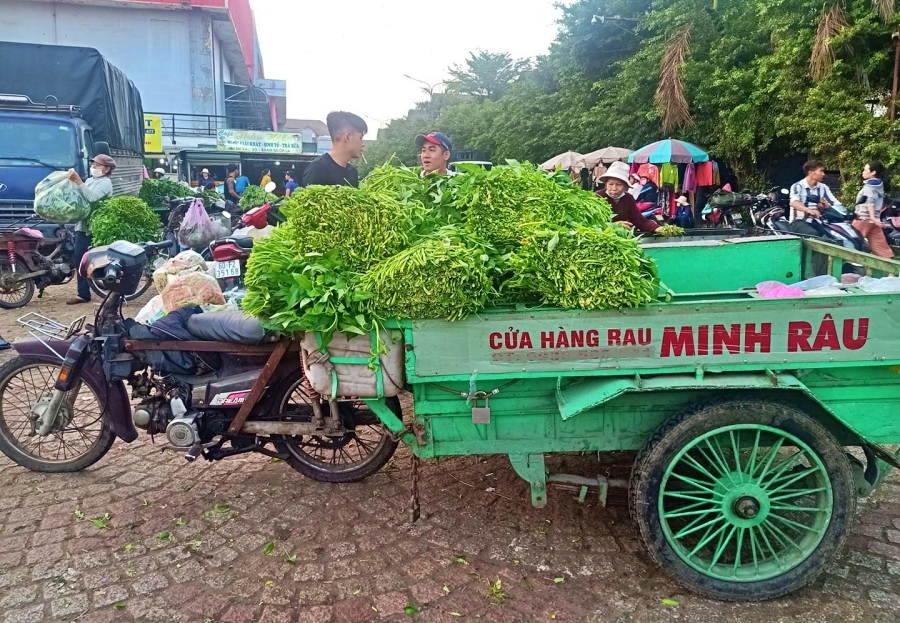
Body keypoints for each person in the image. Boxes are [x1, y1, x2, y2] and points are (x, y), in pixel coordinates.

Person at [66, 154, 116, 305]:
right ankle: (84, 292)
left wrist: (78, 181)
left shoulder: (106, 183)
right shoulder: (90, 180)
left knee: (85, 258)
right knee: (79, 258)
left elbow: (92, 197)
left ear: (106, 169)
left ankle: (85, 293)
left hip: (94, 227)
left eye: (97, 165)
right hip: (82, 224)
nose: (93, 167)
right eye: (93, 164)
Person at [302, 111, 367, 187]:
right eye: (360, 137)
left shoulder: (353, 173)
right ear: (348, 137)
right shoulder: (317, 169)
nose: (363, 144)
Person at [596, 161, 659, 233]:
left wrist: (658, 228)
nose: (614, 188)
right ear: (606, 184)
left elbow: (640, 221)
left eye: (619, 184)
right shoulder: (598, 197)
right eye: (610, 184)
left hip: (622, 238)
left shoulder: (628, 198)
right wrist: (613, 225)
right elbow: (592, 224)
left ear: (625, 186)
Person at [853, 161, 894, 258]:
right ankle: (892, 272)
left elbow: (869, 202)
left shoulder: (869, 186)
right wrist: (875, 219)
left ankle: (851, 270)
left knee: (851, 244)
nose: (863, 172)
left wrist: (872, 217)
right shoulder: (880, 185)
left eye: (865, 170)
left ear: (873, 172)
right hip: (874, 222)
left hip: (862, 219)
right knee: (882, 250)